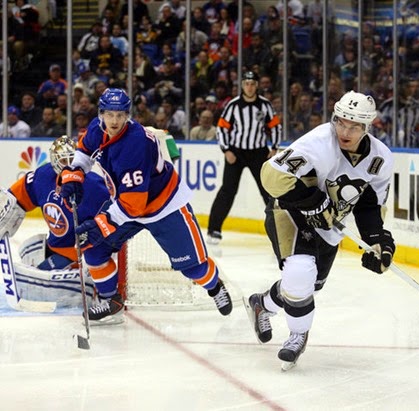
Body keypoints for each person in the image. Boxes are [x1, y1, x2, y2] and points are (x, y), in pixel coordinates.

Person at [56, 88, 232, 325]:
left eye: (120, 115)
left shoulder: (134, 144)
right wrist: (75, 173)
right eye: (110, 114)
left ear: (128, 115)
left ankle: (215, 287)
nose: (115, 120)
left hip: (164, 205)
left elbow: (134, 205)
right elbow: (85, 151)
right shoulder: (98, 128)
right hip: (128, 202)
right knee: (94, 249)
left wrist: (102, 223)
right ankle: (112, 302)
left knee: (194, 269)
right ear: (101, 114)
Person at [245, 91, 395, 368]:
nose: (344, 131)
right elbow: (271, 176)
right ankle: (298, 335)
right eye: (340, 122)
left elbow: (370, 206)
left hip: (329, 225)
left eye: (354, 126)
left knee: (307, 285)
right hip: (290, 210)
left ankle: (262, 304)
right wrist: (313, 201)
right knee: (300, 270)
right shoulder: (318, 143)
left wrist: (378, 240)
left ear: (367, 128)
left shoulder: (380, 159)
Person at [1, 136, 108, 306]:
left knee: (31, 278)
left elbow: (113, 219)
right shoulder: (43, 176)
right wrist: (6, 213)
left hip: (78, 251)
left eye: (71, 159)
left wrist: (97, 232)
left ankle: (91, 285)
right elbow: (19, 197)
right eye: (62, 160)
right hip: (56, 244)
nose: (67, 165)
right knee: (29, 248)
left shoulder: (95, 186)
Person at [207, 71, 281, 243]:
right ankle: (213, 230)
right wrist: (226, 150)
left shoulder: (265, 105)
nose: (249, 87)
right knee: (227, 190)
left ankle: (279, 229)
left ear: (257, 85)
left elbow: (275, 126)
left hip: (259, 152)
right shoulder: (233, 105)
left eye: (253, 83)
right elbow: (222, 128)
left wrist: (275, 148)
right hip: (236, 152)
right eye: (246, 83)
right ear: (242, 85)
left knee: (268, 191)